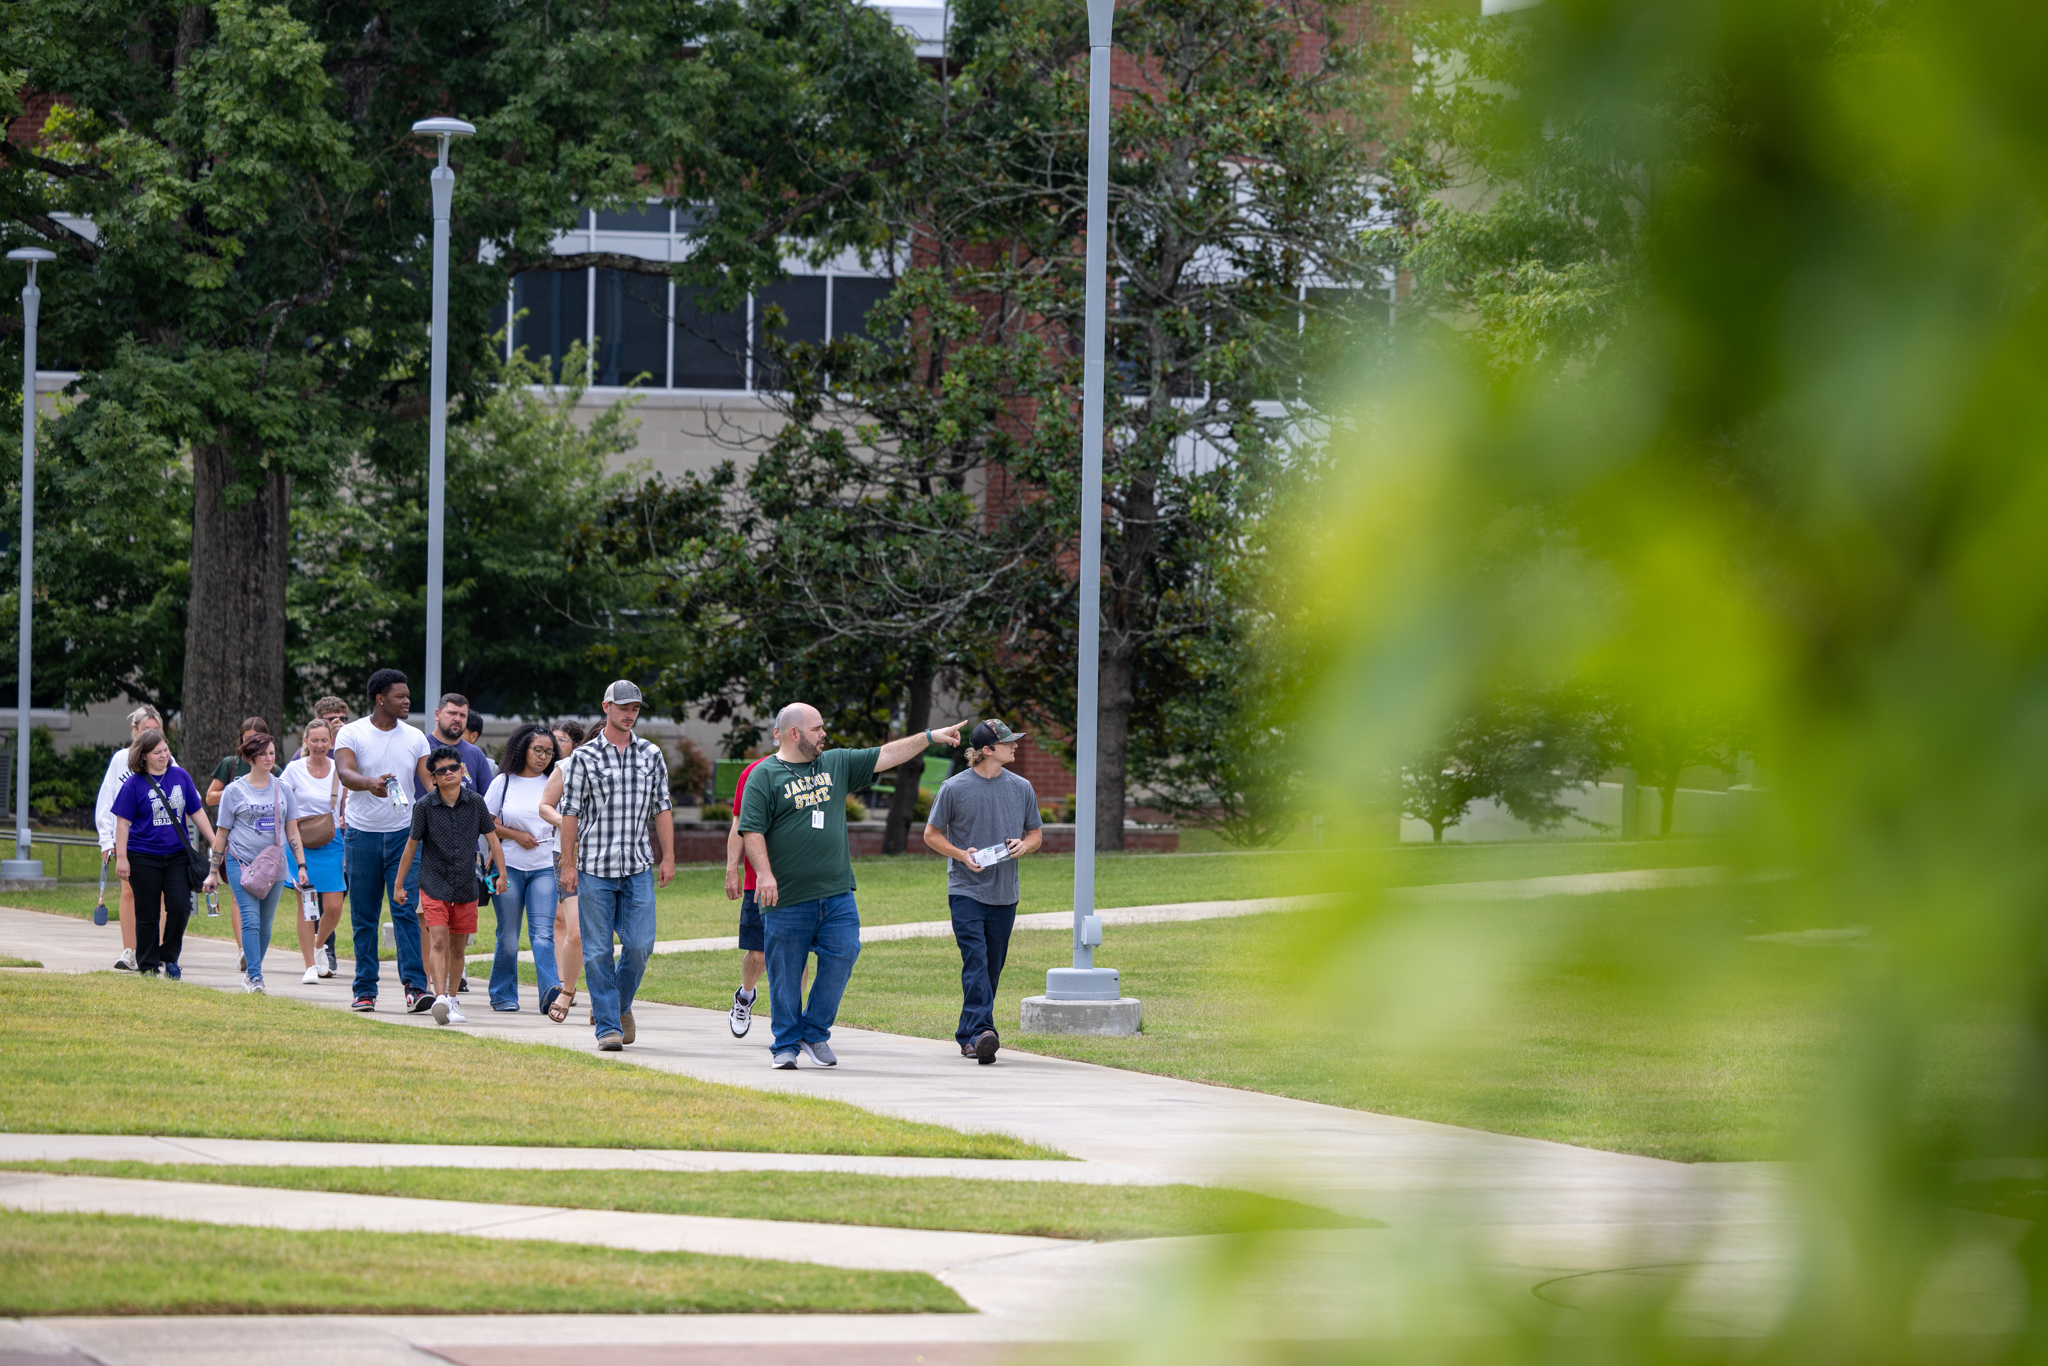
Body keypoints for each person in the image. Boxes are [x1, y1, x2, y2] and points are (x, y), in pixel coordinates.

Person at [740, 703, 964, 1068]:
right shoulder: (764, 776)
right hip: (787, 897)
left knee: (844, 952)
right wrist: (763, 874)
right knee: (784, 972)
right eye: (817, 729)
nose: (823, 734)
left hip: (836, 892)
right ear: (794, 733)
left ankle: (814, 1033)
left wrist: (928, 737)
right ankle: (785, 1044)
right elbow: (751, 830)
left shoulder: (836, 763)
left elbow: (887, 754)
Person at [557, 682, 676, 1051]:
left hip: (638, 864)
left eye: (636, 708)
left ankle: (619, 1006)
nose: (630, 713)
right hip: (594, 866)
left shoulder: (651, 754)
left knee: (640, 945)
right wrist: (568, 863)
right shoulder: (584, 757)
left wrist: (668, 855)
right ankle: (608, 1026)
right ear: (607, 707)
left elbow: (663, 807)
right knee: (596, 951)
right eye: (624, 707)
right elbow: (570, 812)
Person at [922, 720, 1044, 1065]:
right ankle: (983, 1032)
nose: (1015, 746)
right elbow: (932, 834)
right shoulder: (954, 788)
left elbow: (1035, 835)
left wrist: (1025, 845)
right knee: (975, 960)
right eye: (1008, 743)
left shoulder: (1022, 787)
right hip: (965, 889)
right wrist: (962, 855)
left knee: (991, 968)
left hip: (1005, 892)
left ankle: (969, 1035)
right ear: (987, 750)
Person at [335, 669, 436, 1014]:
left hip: (404, 838)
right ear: (380, 699)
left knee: (405, 911)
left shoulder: (415, 738)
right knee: (364, 916)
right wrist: (368, 783)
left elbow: (428, 782)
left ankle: (415, 988)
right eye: (400, 696)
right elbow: (345, 772)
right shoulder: (352, 732)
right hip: (361, 835)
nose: (408, 701)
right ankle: (364, 991)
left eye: (408, 696)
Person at [393, 744, 507, 1026]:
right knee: (439, 939)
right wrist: (398, 885)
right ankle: (440, 997)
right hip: (433, 883)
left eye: (453, 768)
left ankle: (453, 1000)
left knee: (458, 947)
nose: (448, 773)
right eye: (440, 770)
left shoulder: (476, 803)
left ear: (462, 770)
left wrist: (502, 874)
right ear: (433, 778)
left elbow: (493, 840)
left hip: (466, 884)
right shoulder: (424, 807)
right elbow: (410, 848)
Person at [211, 731, 313, 995]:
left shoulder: (284, 789)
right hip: (240, 862)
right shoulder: (233, 791)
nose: (269, 759)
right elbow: (222, 834)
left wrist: (301, 866)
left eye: (272, 753)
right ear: (250, 757)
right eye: (263, 754)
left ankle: (251, 972)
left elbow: (292, 831)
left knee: (265, 926)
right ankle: (256, 978)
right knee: (251, 920)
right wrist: (213, 872)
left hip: (274, 866)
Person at [110, 728, 216, 979]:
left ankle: (169, 957)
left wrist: (215, 842)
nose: (164, 755)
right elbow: (122, 824)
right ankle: (147, 964)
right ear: (143, 755)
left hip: (177, 855)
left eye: (166, 750)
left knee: (180, 907)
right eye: (157, 752)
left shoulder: (180, 776)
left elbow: (196, 811)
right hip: (142, 856)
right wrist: (122, 858)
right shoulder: (133, 784)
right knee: (147, 913)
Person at [722, 724, 806, 1038]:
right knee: (758, 953)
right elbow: (739, 826)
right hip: (757, 880)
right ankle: (745, 996)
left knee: (798, 953)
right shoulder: (755, 773)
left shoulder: (813, 774)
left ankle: (793, 1018)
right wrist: (732, 867)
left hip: (799, 882)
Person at [485, 723, 560, 1013]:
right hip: (509, 868)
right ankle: (502, 995)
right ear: (522, 749)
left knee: (543, 935)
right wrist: (517, 835)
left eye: (549, 752)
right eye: (538, 750)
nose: (543, 756)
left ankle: (550, 995)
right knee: (508, 936)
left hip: (544, 868)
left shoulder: (553, 782)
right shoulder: (503, 782)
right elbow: (487, 822)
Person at [96, 704, 172, 971]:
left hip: (160, 840)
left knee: (161, 896)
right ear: (135, 730)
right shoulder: (121, 760)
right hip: (129, 838)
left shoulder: (167, 760)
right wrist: (107, 841)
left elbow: (185, 799)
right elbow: (106, 803)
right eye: (145, 731)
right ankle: (130, 950)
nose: (151, 736)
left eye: (156, 731)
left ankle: (155, 951)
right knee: (129, 891)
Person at [281, 716, 349, 984]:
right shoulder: (293, 769)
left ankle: (319, 945)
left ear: (331, 742)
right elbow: (281, 803)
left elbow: (348, 801)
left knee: (334, 906)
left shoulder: (338, 769)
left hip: (331, 842)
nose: (320, 745)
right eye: (315, 740)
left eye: (324, 740)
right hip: (300, 843)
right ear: (305, 741)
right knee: (308, 905)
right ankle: (310, 964)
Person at [538, 719, 587, 1023]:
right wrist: (564, 822)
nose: (557, 745)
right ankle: (565, 987)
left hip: (605, 858)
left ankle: (604, 998)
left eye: (563, 739)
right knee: (573, 929)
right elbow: (545, 806)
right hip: (567, 854)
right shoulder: (565, 767)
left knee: (598, 932)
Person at [204, 716, 267, 817]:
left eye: (254, 739)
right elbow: (210, 798)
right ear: (241, 739)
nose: (250, 743)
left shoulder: (271, 769)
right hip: (233, 828)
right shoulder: (230, 763)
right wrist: (238, 792)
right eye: (246, 738)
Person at [463, 712, 495, 788]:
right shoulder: (439, 762)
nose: (453, 736)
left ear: (473, 736)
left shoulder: (491, 767)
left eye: (459, 732)